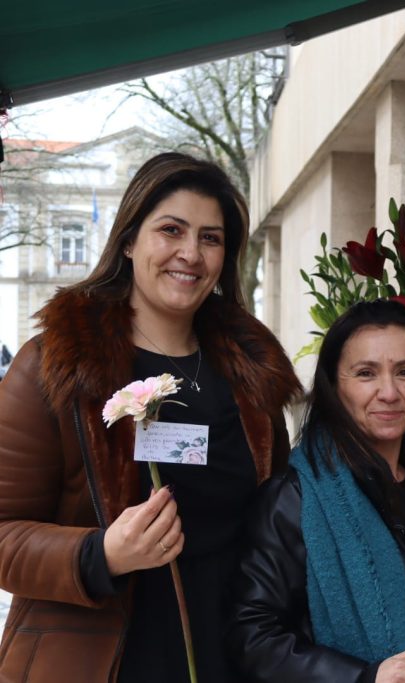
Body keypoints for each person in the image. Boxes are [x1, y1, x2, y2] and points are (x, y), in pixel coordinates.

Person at [0, 152, 302, 682]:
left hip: (232, 657)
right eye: (171, 230)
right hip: (101, 663)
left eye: (211, 238)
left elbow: (277, 524)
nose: (191, 253)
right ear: (128, 241)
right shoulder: (57, 368)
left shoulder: (251, 377)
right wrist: (99, 555)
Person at [228, 299, 405, 683]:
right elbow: (252, 638)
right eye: (366, 373)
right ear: (333, 386)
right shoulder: (295, 499)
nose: (389, 392)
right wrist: (362, 677)